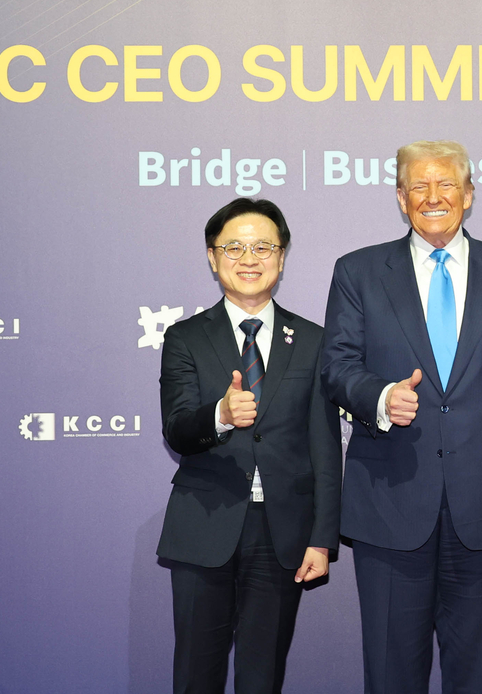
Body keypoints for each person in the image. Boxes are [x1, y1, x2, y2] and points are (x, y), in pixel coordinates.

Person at [321, 140, 482, 694]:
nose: (433, 197)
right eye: (418, 187)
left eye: (446, 184)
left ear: (469, 194)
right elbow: (336, 367)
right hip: (390, 502)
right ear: (401, 199)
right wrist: (379, 397)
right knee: (391, 673)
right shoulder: (358, 271)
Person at [157, 198, 341, 694]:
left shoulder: (314, 340)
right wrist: (219, 415)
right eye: (234, 247)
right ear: (212, 258)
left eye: (263, 246)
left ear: (281, 259)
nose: (249, 257)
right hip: (205, 523)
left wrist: (322, 536)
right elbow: (175, 427)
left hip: (282, 534)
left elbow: (325, 446)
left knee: (263, 678)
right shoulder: (185, 337)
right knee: (197, 675)